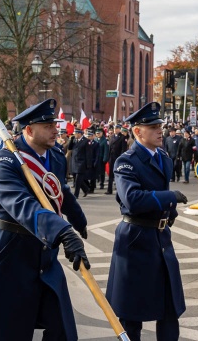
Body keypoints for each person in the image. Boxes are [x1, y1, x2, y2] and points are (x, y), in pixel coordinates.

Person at [0, 99, 89, 341]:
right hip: (10, 252)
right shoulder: (6, 161)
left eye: (55, 123)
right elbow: (21, 204)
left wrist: (78, 219)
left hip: (44, 253)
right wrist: (62, 230)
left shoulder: (55, 155)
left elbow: (58, 190)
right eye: (47, 125)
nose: (56, 129)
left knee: (60, 328)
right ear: (29, 130)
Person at [106, 102, 187, 341]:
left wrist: (169, 211)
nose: (159, 130)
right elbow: (132, 199)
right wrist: (169, 197)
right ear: (137, 132)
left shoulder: (163, 157)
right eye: (152, 127)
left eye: (159, 125)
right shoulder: (126, 161)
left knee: (169, 307)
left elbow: (160, 187)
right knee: (132, 314)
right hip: (136, 240)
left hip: (160, 239)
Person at [67, 128, 91, 198]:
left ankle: (76, 194)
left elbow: (88, 153)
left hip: (82, 162)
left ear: (79, 134)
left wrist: (88, 164)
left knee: (78, 179)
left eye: (75, 133)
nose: (74, 135)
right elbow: (69, 148)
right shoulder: (74, 140)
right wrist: (71, 140)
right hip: (74, 161)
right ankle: (86, 189)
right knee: (76, 178)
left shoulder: (86, 141)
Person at [106, 125, 130, 195]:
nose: (115, 130)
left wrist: (121, 158)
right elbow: (110, 148)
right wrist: (108, 157)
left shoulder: (123, 137)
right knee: (110, 174)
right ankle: (109, 189)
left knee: (118, 174)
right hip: (111, 158)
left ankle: (120, 190)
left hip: (118, 157)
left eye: (116, 128)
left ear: (119, 129)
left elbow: (123, 149)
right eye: (114, 128)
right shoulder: (112, 137)